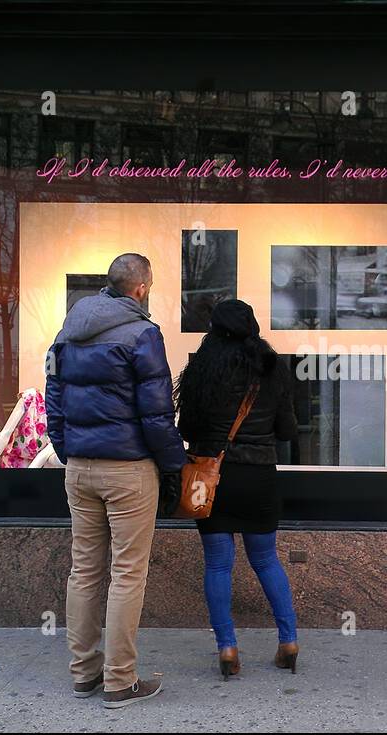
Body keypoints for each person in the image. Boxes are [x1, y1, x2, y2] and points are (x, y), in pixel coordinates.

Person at [45, 252, 187, 708]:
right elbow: (158, 414)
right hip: (128, 469)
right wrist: (173, 466)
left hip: (80, 466)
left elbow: (54, 398)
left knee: (84, 569)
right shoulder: (143, 334)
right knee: (127, 573)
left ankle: (84, 673)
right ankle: (120, 680)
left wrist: (69, 449)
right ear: (142, 287)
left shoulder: (70, 328)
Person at [174, 299, 300, 678]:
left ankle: (227, 648)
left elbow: (185, 431)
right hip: (259, 477)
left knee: (218, 564)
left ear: (214, 329)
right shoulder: (272, 367)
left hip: (213, 478)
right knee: (266, 560)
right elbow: (288, 432)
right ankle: (289, 641)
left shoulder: (201, 368)